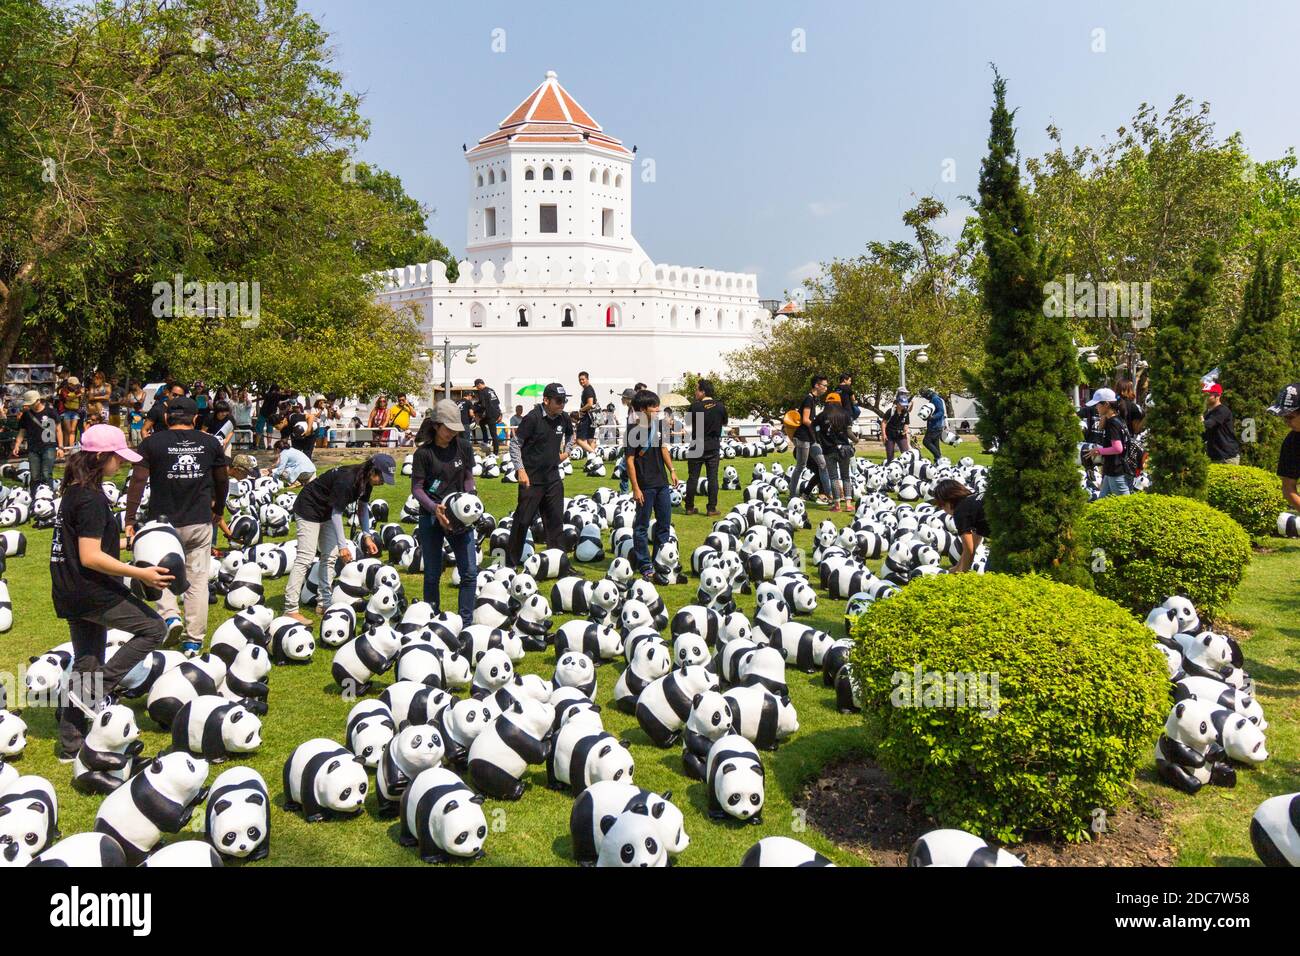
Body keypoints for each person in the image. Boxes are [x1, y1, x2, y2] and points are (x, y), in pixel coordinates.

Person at [50, 425, 172, 761]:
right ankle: (97, 690)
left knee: (87, 663)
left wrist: (132, 542)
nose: (121, 464)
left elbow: (88, 546)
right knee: (153, 629)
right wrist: (140, 572)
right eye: (118, 458)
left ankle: (70, 746)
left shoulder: (75, 491)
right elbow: (90, 557)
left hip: (69, 590)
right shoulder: (89, 499)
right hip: (91, 591)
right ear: (102, 457)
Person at [124, 396, 230, 657]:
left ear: (168, 418)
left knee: (159, 574)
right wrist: (218, 510)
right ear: (195, 419)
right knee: (197, 580)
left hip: (162, 525)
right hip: (198, 522)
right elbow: (222, 480)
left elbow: (137, 481)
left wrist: (129, 519)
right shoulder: (210, 443)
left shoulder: (152, 443)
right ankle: (193, 641)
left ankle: (170, 618)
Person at [283, 455, 392, 623]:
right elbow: (337, 513)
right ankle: (290, 609)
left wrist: (367, 535)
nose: (383, 482)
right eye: (382, 477)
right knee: (305, 557)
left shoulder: (365, 481)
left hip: (326, 512)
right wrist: (343, 545)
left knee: (330, 555)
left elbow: (362, 509)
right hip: (308, 508)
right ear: (372, 471)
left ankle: (324, 603)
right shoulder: (347, 480)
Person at [411, 401, 478, 625]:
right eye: (448, 428)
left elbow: (468, 477)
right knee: (432, 572)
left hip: (459, 515)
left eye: (455, 429)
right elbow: (417, 488)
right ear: (437, 425)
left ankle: (466, 623)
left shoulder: (464, 447)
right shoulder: (424, 453)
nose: (451, 433)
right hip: (431, 515)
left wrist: (471, 497)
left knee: (469, 572)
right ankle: (431, 619)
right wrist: (434, 508)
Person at [506, 383, 572, 566]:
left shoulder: (563, 418)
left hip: (553, 479)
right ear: (546, 400)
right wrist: (520, 470)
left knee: (556, 524)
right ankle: (511, 563)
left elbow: (571, 435)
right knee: (523, 521)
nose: (562, 405)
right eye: (558, 401)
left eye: (564, 401)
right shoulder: (532, 418)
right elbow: (515, 444)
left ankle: (560, 565)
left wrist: (566, 452)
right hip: (531, 480)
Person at [626, 390, 677, 583]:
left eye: (657, 406)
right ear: (641, 409)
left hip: (662, 483)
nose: (657, 409)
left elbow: (663, 448)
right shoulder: (633, 429)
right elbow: (630, 461)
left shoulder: (659, 425)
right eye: (653, 406)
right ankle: (645, 565)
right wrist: (636, 488)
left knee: (664, 525)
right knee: (641, 526)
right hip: (645, 485)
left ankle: (659, 560)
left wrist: (671, 469)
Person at [684, 379, 728, 516]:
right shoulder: (721, 407)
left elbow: (688, 422)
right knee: (712, 478)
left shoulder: (695, 406)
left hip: (697, 444)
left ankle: (689, 507)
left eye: (697, 389)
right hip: (713, 446)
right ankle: (711, 508)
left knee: (693, 478)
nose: (695, 392)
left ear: (703, 391)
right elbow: (724, 423)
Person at [931, 478, 988, 573]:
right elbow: (973, 545)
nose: (942, 509)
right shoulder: (972, 501)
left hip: (1009, 532)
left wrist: (961, 573)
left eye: (941, 505)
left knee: (991, 570)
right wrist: (957, 567)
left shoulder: (960, 511)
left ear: (948, 501)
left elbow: (969, 549)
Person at [791, 374, 833, 503]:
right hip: (803, 438)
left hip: (811, 438)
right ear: (816, 385)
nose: (826, 388)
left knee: (823, 465)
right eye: (824, 385)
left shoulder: (813, 399)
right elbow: (805, 419)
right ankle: (792, 495)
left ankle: (830, 496)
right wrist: (818, 425)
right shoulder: (809, 399)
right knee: (800, 466)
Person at [13, 390, 63, 492]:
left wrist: (60, 447)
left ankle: (48, 495)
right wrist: (17, 445)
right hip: (33, 448)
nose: (29, 406)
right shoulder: (26, 415)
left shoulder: (51, 412)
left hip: (49, 446)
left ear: (38, 401)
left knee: (46, 473)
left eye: (30, 403)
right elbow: (22, 431)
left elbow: (58, 429)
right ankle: (34, 495)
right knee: (34, 475)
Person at [1085, 387, 1131, 497]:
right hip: (1112, 469)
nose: (1096, 407)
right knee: (1102, 503)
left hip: (1116, 471)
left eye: (1097, 404)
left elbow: (1117, 448)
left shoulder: (1113, 423)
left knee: (1125, 506)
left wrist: (1098, 451)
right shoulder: (1117, 419)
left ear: (1106, 404)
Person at [815, 392, 854, 511]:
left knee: (833, 477)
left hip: (828, 450)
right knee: (846, 476)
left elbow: (815, 429)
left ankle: (837, 505)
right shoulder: (845, 415)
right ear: (839, 402)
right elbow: (848, 432)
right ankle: (848, 504)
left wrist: (821, 441)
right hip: (844, 449)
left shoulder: (821, 416)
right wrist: (855, 440)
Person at [1268, 382, 1300, 513]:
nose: (1286, 422)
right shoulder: (1292, 443)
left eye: (1290, 417)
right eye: (1283, 417)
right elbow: (1288, 488)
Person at [1202, 383, 1241, 465]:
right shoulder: (1208, 413)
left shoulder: (1222, 410)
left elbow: (1209, 424)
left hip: (1227, 458)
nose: (1205, 398)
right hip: (1214, 457)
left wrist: (1199, 417)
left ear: (1217, 396)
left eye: (1209, 395)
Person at [473, 379, 502, 454]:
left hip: (490, 414)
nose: (477, 388)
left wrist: (475, 410)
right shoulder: (491, 390)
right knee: (482, 423)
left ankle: (496, 453)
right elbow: (497, 402)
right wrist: (500, 413)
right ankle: (485, 441)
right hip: (496, 412)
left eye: (477, 386)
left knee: (493, 434)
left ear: (479, 384)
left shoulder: (482, 391)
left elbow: (483, 405)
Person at [882, 392, 911, 463]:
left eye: (905, 405)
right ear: (898, 403)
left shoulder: (906, 412)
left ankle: (906, 468)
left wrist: (905, 429)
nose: (903, 406)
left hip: (901, 434)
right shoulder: (890, 411)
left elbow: (906, 423)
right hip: (890, 435)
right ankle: (890, 468)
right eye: (902, 405)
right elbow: (883, 422)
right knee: (890, 455)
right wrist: (883, 434)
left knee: (905, 453)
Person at [920, 388, 946, 462]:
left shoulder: (935, 399)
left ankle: (939, 457)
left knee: (926, 442)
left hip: (935, 426)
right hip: (934, 425)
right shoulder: (932, 399)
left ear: (929, 393)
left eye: (924, 395)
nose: (925, 397)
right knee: (935, 444)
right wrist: (926, 417)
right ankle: (938, 461)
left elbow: (941, 412)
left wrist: (932, 417)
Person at [575, 371, 598, 455]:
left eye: (583, 379)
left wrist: (581, 410)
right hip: (593, 418)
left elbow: (590, 404)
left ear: (587, 379)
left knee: (579, 440)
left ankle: (594, 453)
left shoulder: (588, 390)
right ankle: (593, 460)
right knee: (590, 439)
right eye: (580, 380)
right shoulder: (588, 389)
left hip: (587, 418)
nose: (581, 381)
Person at [618, 388, 636, 494]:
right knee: (626, 468)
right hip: (630, 442)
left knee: (624, 468)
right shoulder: (631, 409)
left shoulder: (634, 410)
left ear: (628, 399)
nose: (622, 399)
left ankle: (625, 492)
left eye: (623, 397)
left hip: (633, 443)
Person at [255, 384, 284, 450]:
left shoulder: (269, 395)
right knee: (268, 430)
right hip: (268, 415)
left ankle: (258, 445)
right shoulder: (275, 396)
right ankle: (269, 445)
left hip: (265, 414)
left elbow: (278, 404)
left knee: (261, 430)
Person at [58, 375, 83, 446]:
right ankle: (65, 448)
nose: (75, 386)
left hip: (75, 412)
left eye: (76, 385)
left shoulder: (77, 390)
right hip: (65, 412)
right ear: (69, 384)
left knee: (72, 431)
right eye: (74, 385)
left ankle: (71, 448)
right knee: (67, 431)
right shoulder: (63, 390)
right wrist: (77, 395)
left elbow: (80, 400)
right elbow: (67, 399)